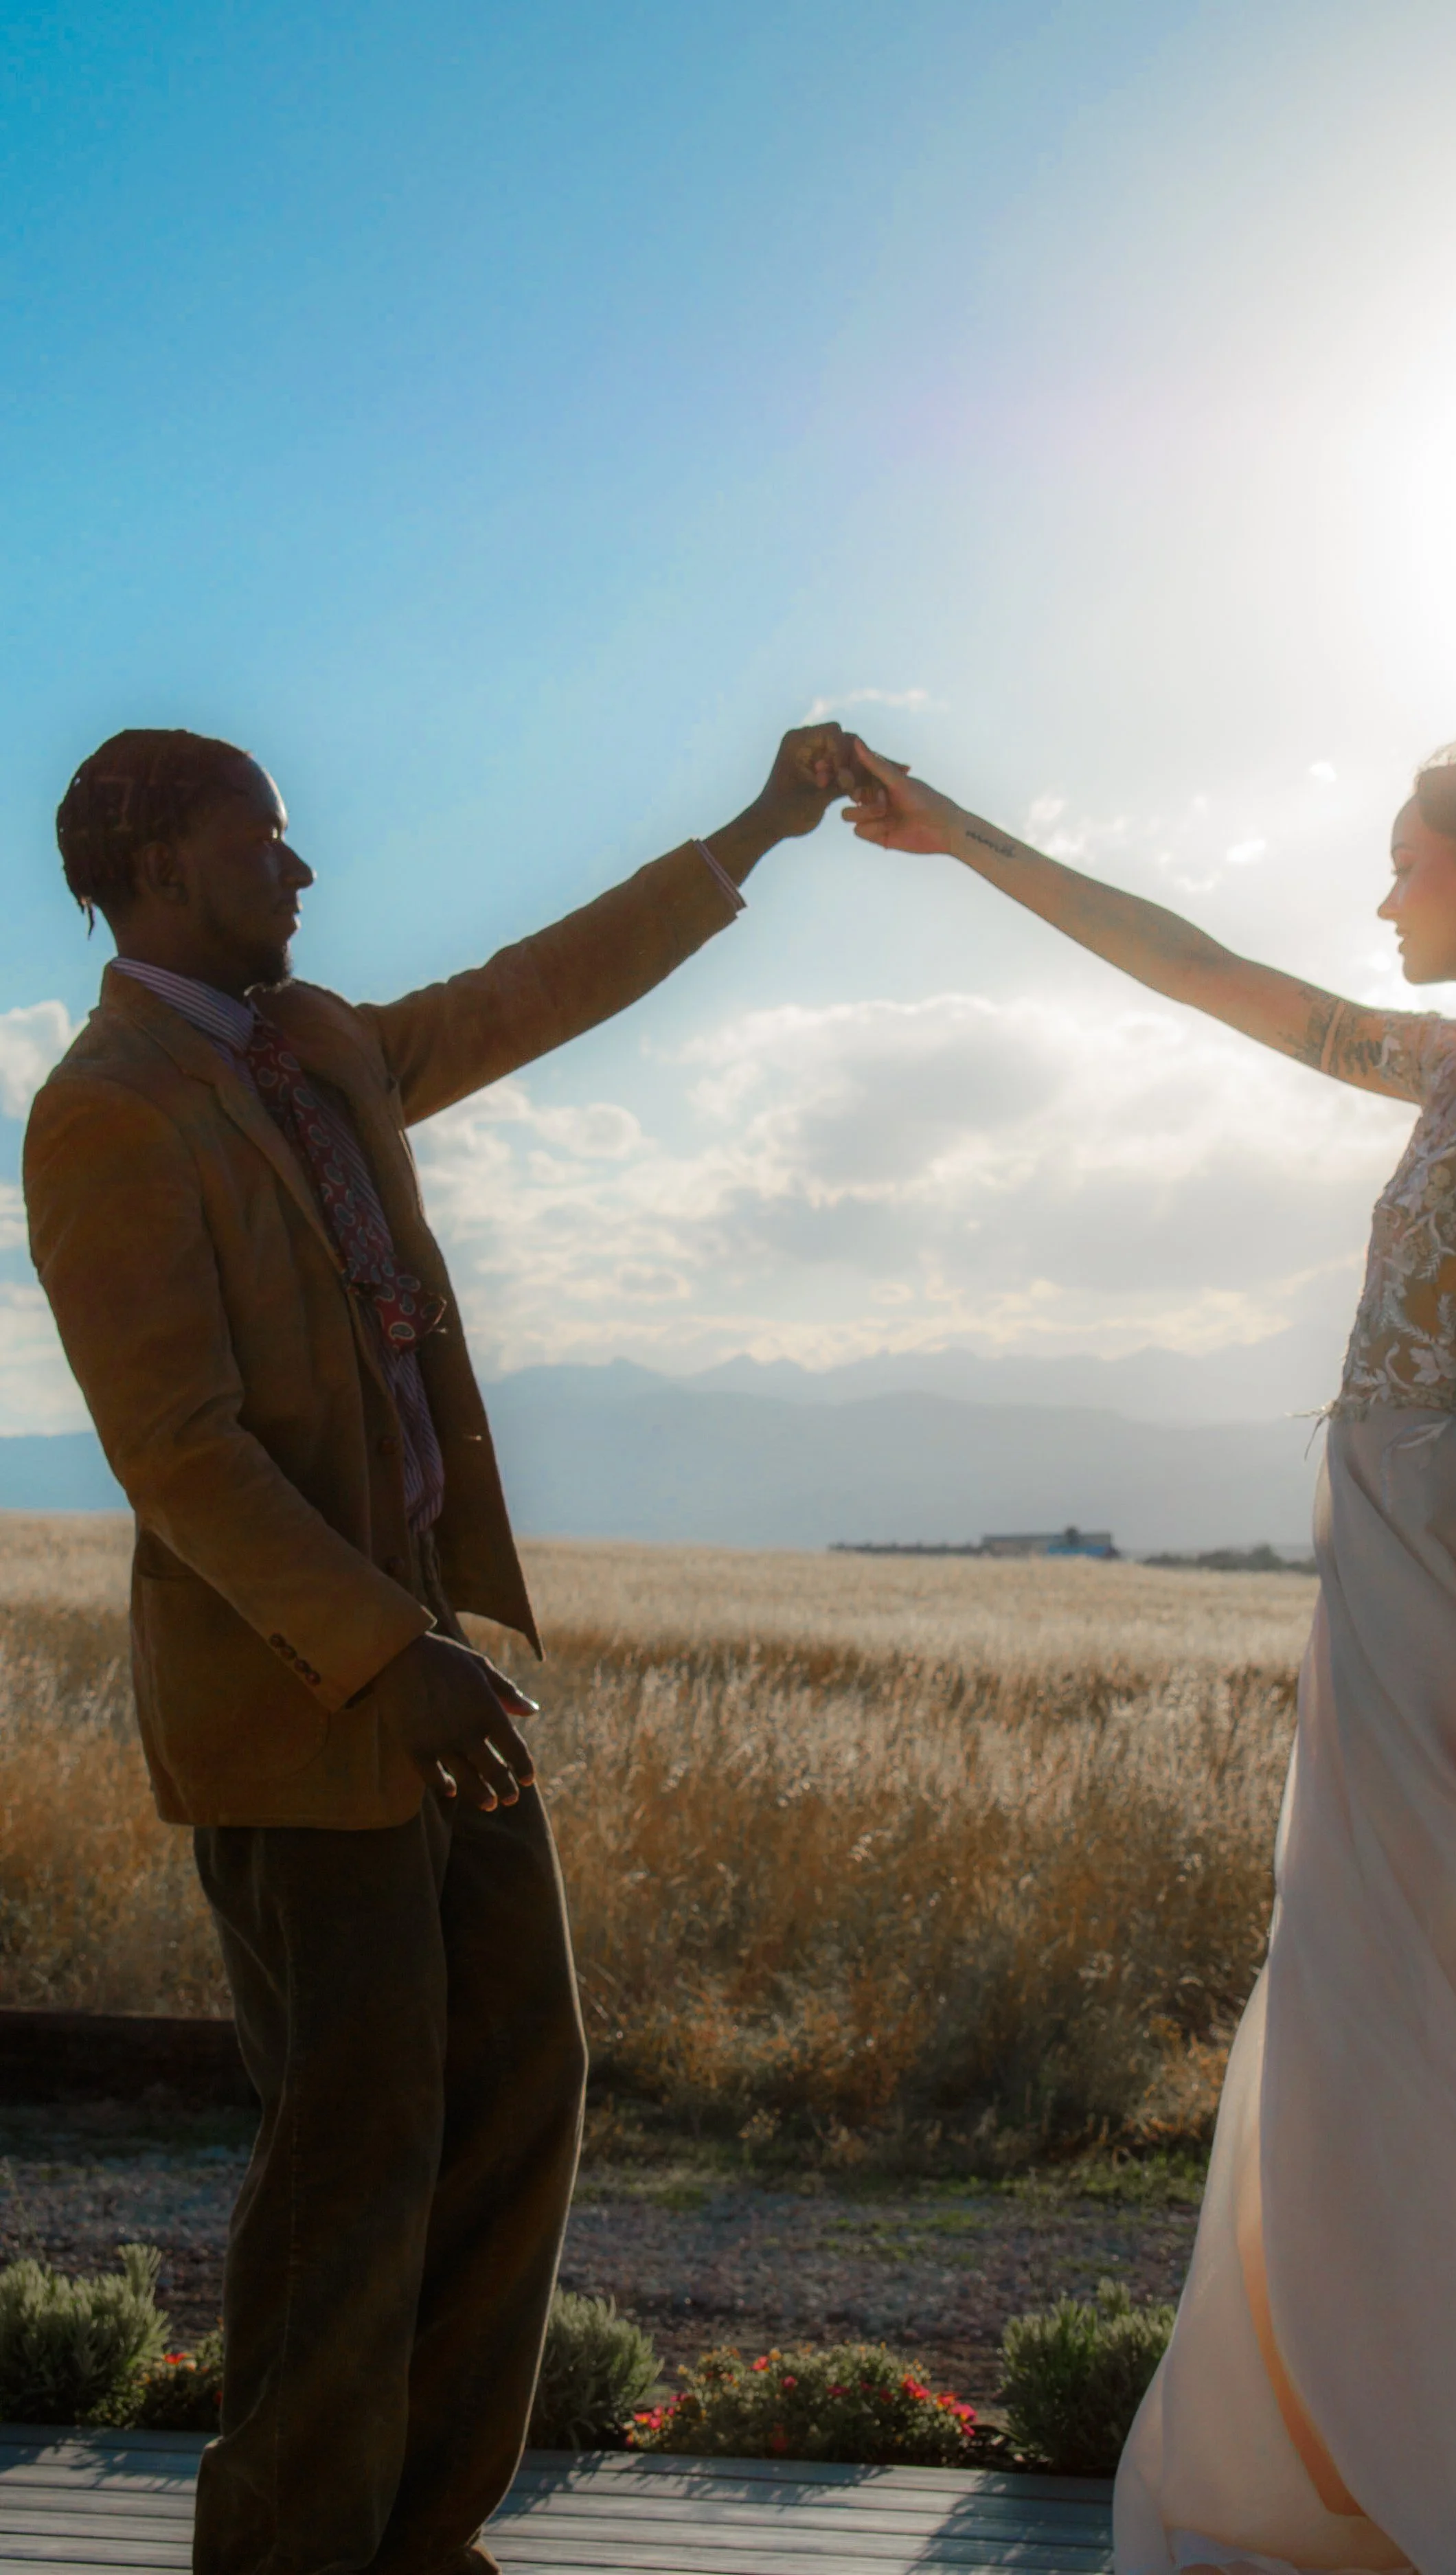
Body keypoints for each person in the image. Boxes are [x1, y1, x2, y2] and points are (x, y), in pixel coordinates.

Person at [843, 736, 1456, 2575]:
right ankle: (1382, 2467)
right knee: (1378, 2002)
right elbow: (1197, 967)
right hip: (1400, 1559)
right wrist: (962, 835)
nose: (1383, 896)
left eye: (1408, 860)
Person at [24, 718, 863, 2575]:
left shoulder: (317, 1046)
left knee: (519, 2082)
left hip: (430, 1673)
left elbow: (527, 993)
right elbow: (180, 1452)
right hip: (305, 1698)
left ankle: (419, 2540)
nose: (301, 869)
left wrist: (757, 830)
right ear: (159, 865)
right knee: (356, 2147)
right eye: (267, 840)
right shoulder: (106, 1110)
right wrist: (387, 1649)